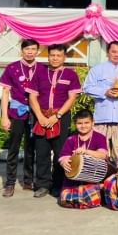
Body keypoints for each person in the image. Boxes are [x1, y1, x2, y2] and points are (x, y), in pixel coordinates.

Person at [27, 43, 81, 198]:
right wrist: (40, 116)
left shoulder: (71, 75)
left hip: (61, 118)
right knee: (42, 152)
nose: (55, 58)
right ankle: (43, 185)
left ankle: (58, 185)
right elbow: (32, 97)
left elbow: (72, 98)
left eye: (59, 55)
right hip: (41, 117)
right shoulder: (39, 73)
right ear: (48, 56)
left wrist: (57, 116)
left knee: (60, 152)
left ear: (64, 57)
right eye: (52, 55)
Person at [83, 40, 118, 161]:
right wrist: (104, 92)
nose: (116, 54)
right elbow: (87, 88)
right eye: (113, 51)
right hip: (101, 118)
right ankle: (101, 173)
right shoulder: (97, 70)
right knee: (99, 153)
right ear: (108, 52)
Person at [57, 110, 108, 209]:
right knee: (64, 198)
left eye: (86, 123)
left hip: (93, 180)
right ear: (75, 124)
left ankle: (81, 198)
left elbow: (103, 155)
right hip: (73, 181)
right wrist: (64, 162)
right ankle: (80, 198)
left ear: (93, 122)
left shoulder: (100, 137)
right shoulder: (71, 139)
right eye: (79, 123)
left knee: (90, 197)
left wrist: (86, 151)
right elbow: (63, 156)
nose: (83, 126)